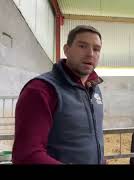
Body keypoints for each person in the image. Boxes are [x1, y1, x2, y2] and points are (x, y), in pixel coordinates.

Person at [12, 25, 105, 164]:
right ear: (66, 50)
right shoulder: (41, 90)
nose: (90, 53)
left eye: (96, 49)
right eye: (82, 46)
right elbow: (27, 155)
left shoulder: (94, 88)